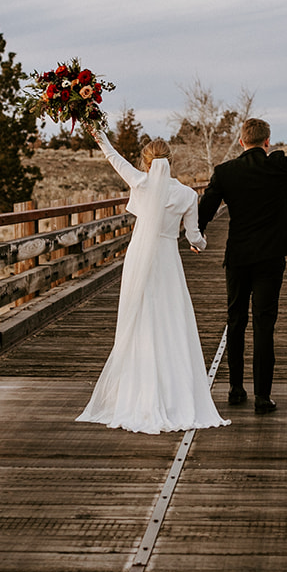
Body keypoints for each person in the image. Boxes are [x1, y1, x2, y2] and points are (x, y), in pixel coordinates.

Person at [76, 129, 230, 434]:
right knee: (171, 321)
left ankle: (138, 391)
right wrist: (201, 244)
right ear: (171, 162)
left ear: (147, 163)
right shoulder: (187, 194)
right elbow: (194, 236)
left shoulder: (140, 182)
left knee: (140, 319)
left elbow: (112, 157)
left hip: (139, 258)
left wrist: (98, 131)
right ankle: (175, 394)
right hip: (168, 258)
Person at [197, 106, 287, 414]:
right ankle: (262, 396)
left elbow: (204, 210)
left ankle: (235, 389)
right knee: (264, 323)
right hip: (271, 257)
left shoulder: (225, 172)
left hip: (238, 257)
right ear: (267, 141)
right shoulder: (280, 167)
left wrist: (197, 237)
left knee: (235, 320)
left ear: (240, 141)